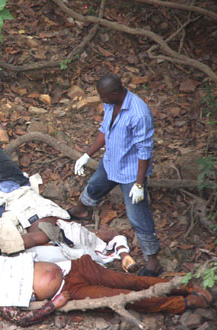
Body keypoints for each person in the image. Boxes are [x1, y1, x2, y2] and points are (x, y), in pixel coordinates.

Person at [0, 137, 137, 272]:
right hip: (19, 184)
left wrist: (42, 236)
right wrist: (124, 255)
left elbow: (14, 244)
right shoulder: (86, 238)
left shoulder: (49, 247)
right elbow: (112, 234)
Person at [0, 253, 214, 327]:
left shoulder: (0, 263)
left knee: (129, 282)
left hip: (75, 267)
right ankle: (185, 304)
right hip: (70, 292)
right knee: (126, 298)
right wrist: (54, 305)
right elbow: (22, 319)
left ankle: (182, 285)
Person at [68, 73, 161, 277]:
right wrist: (86, 155)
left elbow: (144, 151)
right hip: (111, 161)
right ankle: (80, 211)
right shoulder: (111, 103)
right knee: (94, 186)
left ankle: (153, 261)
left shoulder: (139, 113)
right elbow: (104, 130)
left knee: (138, 215)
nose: (101, 100)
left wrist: (139, 184)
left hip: (131, 172)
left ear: (115, 92)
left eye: (103, 96)